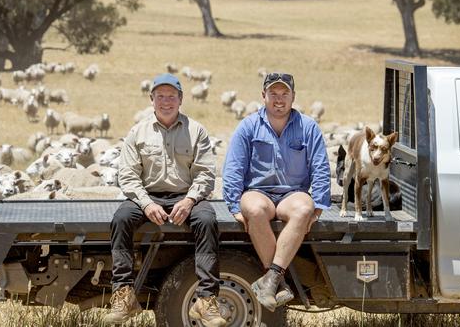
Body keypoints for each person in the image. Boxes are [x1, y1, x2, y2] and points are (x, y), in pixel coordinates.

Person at [105, 73, 226, 326]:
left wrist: (190, 200)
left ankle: (206, 300)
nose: (166, 101)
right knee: (121, 218)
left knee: (206, 220)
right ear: (152, 100)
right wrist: (146, 203)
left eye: (172, 96)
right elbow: (127, 175)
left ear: (180, 99)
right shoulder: (138, 132)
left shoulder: (196, 131)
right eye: (160, 96)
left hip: (185, 196)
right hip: (147, 196)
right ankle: (124, 294)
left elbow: (205, 174)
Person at [223, 72, 331, 312]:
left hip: (292, 194)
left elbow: (320, 165)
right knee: (253, 208)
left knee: (305, 208)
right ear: (264, 96)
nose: (279, 99)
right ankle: (278, 282)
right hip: (257, 191)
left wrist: (320, 206)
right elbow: (233, 166)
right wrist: (233, 205)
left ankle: (270, 279)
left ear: (293, 97)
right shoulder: (248, 126)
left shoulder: (308, 127)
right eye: (273, 93)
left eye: (285, 94)